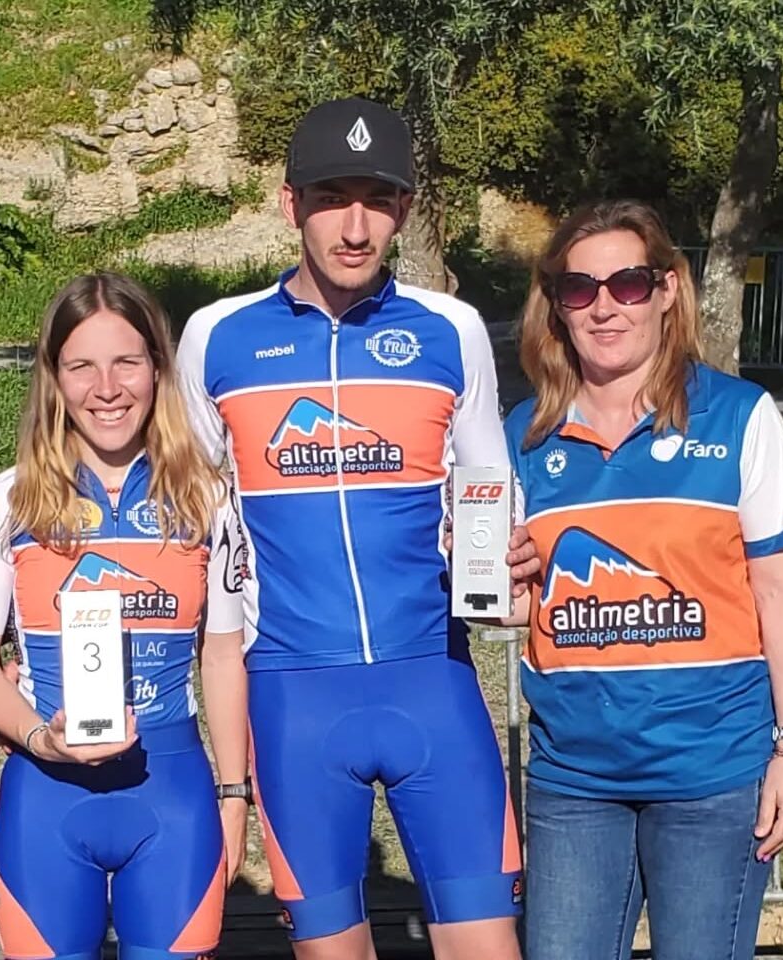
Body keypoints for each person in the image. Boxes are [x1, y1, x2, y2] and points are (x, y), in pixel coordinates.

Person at [176, 97, 536, 960]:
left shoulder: (450, 330)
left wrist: (506, 562)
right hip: (292, 693)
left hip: (433, 678)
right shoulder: (216, 337)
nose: (354, 226)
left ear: (404, 210)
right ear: (289, 204)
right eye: (332, 199)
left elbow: (490, 491)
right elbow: (188, 520)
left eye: (377, 201)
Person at [502, 199, 783, 960]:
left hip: (713, 775)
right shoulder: (522, 434)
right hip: (575, 779)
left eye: (628, 284)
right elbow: (518, 608)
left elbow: (781, 593)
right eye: (578, 288)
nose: (604, 307)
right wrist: (493, 591)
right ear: (556, 304)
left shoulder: (740, 417)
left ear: (668, 288)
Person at [0, 272, 249, 960]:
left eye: (126, 363)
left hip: (171, 792)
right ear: (53, 378)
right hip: (45, 793)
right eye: (81, 365)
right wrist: (40, 738)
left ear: (158, 369)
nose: (106, 388)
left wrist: (234, 796)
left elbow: (222, 656)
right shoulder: (2, 503)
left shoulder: (209, 498)